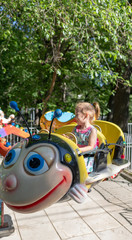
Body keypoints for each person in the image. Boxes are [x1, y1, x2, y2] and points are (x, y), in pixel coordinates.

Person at [73, 102, 99, 173]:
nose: (75, 118)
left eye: (77, 115)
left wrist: (79, 150)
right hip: (77, 154)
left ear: (86, 115)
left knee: (81, 171)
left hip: (87, 156)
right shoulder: (76, 128)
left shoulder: (92, 130)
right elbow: (72, 138)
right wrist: (67, 137)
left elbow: (91, 146)